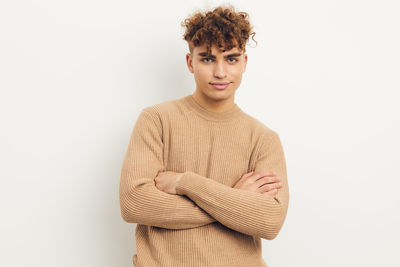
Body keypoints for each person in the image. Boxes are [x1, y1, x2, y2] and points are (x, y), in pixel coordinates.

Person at [119, 5, 289, 267]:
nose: (220, 72)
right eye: (208, 59)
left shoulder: (263, 139)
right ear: (190, 62)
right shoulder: (157, 120)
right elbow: (135, 204)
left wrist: (185, 183)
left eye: (231, 58)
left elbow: (268, 221)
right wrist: (234, 200)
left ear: (244, 62)